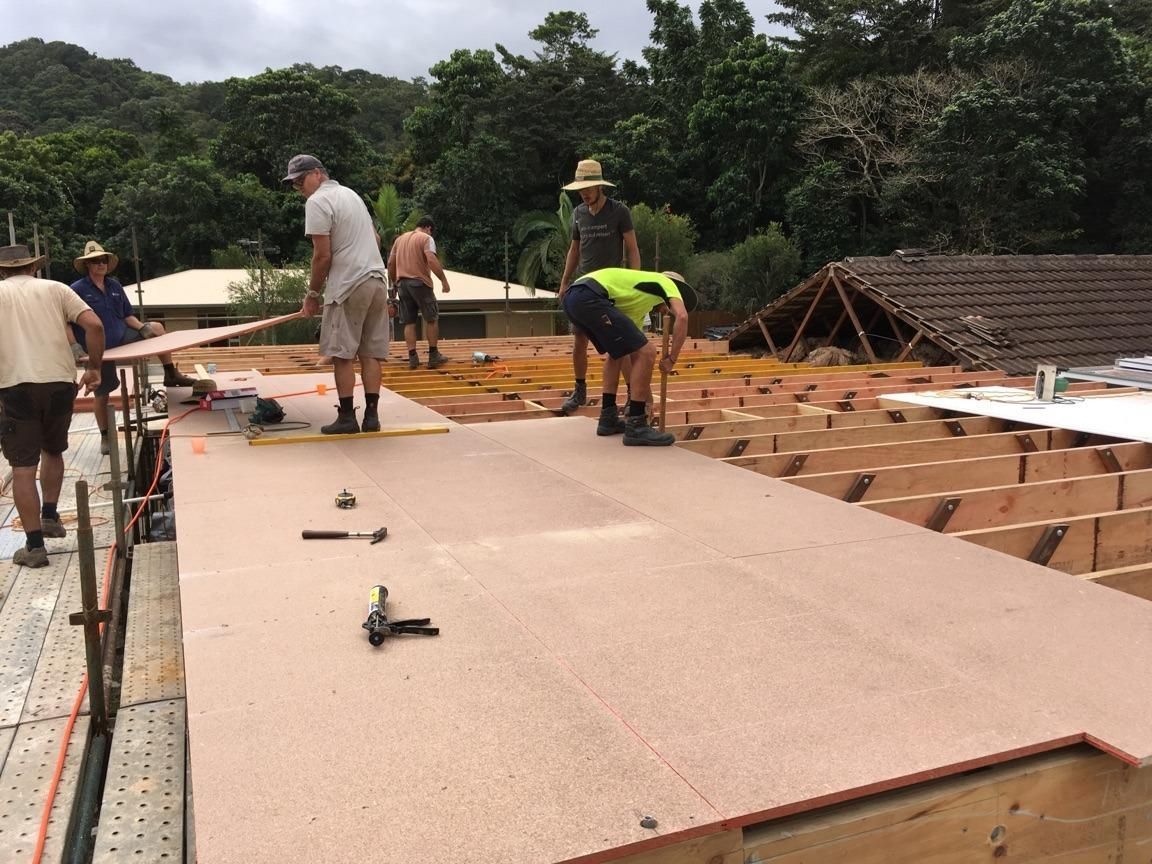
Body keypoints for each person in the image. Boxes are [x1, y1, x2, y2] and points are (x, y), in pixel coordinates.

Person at [1, 244, 105, 568]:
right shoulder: (57, 289)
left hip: (14, 385)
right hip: (60, 383)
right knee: (53, 450)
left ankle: (34, 547)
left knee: (22, 467)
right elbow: (95, 326)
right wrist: (94, 368)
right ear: (32, 268)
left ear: (3, 271)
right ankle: (49, 516)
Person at [284, 154, 392, 435]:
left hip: (348, 285)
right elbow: (376, 239)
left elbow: (322, 256)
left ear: (317, 173)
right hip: (377, 280)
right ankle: (371, 417)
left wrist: (312, 294)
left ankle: (347, 418)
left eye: (300, 180)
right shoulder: (352, 195)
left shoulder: (318, 201)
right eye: (294, 184)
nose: (299, 188)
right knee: (370, 354)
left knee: (342, 354)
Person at [69, 241, 197, 455]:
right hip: (99, 350)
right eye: (95, 261)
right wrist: (73, 345)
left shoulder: (115, 286)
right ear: (87, 265)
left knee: (156, 327)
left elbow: (127, 315)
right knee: (102, 394)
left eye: (103, 260)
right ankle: (105, 436)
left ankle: (170, 373)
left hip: (122, 337)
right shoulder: (77, 289)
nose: (101, 264)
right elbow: (66, 321)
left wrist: (143, 328)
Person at [561, 268, 697, 446]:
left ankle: (607, 418)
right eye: (671, 304)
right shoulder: (666, 283)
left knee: (617, 353)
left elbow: (632, 355)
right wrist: (671, 359)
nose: (666, 311)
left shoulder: (637, 303)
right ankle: (636, 426)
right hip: (588, 294)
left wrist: (646, 398)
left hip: (573, 297)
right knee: (649, 351)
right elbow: (682, 316)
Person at [557, 159, 641, 417]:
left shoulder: (619, 212)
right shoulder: (579, 214)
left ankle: (630, 395)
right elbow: (574, 249)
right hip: (583, 287)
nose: (584, 193)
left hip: (610, 287)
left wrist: (634, 283)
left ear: (600, 187)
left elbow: (632, 249)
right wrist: (564, 282)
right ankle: (580, 389)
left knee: (620, 342)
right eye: (581, 188)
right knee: (579, 339)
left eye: (589, 188)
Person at [387, 216, 451, 370]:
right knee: (431, 318)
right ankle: (433, 356)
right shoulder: (426, 238)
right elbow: (431, 259)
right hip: (420, 283)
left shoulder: (399, 240)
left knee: (409, 321)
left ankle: (412, 358)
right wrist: (443, 279)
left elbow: (390, 263)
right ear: (429, 228)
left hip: (402, 284)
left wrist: (395, 282)